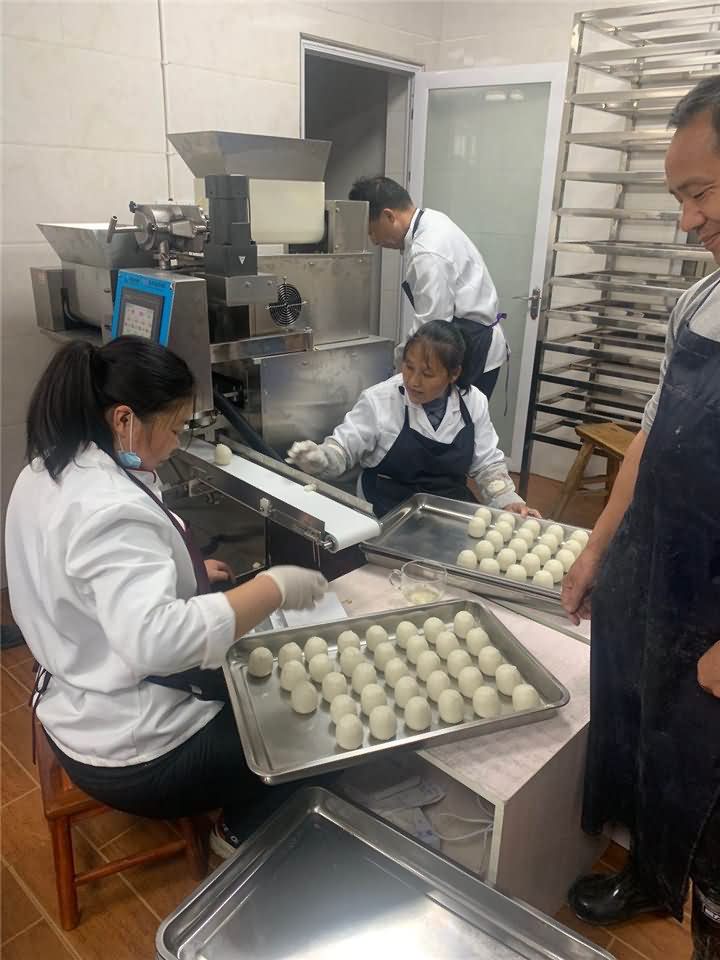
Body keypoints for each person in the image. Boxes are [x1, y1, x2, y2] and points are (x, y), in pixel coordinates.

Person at [4, 337, 328, 859]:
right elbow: (155, 642)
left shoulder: (48, 466)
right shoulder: (108, 509)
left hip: (72, 704)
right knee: (312, 731)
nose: (178, 444)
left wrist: (187, 575)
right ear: (124, 419)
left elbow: (85, 584)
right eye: (175, 428)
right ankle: (239, 832)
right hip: (135, 752)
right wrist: (274, 588)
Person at [562, 76, 720, 959]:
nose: (688, 221)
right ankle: (652, 879)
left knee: (709, 780)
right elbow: (651, 438)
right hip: (654, 565)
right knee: (640, 737)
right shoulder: (700, 300)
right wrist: (598, 552)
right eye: (678, 199)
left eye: (701, 193)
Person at [286, 320, 537, 519]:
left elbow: (487, 466)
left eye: (427, 374)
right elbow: (343, 450)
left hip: (447, 503)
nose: (414, 381)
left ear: (454, 374)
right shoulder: (380, 400)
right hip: (388, 504)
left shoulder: (473, 402)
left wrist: (508, 500)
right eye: (408, 367)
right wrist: (322, 458)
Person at [348, 175, 508, 399]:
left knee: (459, 419)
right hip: (472, 339)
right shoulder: (432, 219)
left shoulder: (427, 250)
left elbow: (431, 326)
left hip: (472, 347)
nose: (373, 240)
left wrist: (398, 364)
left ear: (389, 216)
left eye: (372, 231)